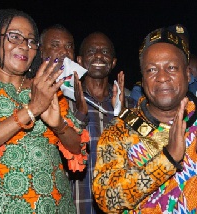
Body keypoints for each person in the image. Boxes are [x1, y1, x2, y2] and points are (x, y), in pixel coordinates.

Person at [93, 27, 197, 213]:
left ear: (187, 74)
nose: (162, 77)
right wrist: (167, 160)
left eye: (171, 67)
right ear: (143, 78)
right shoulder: (120, 130)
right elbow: (107, 200)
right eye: (152, 70)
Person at [0, 9, 89, 213]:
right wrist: (32, 110)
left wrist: (58, 125)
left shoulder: (45, 87)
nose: (24, 45)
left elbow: (77, 149)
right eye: (14, 37)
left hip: (55, 206)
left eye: (31, 41)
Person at [65, 32, 135, 214]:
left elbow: (141, 153)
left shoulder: (130, 105)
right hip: (77, 206)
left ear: (113, 62)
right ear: (79, 60)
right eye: (91, 51)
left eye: (105, 51)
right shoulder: (65, 103)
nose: (98, 55)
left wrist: (122, 115)